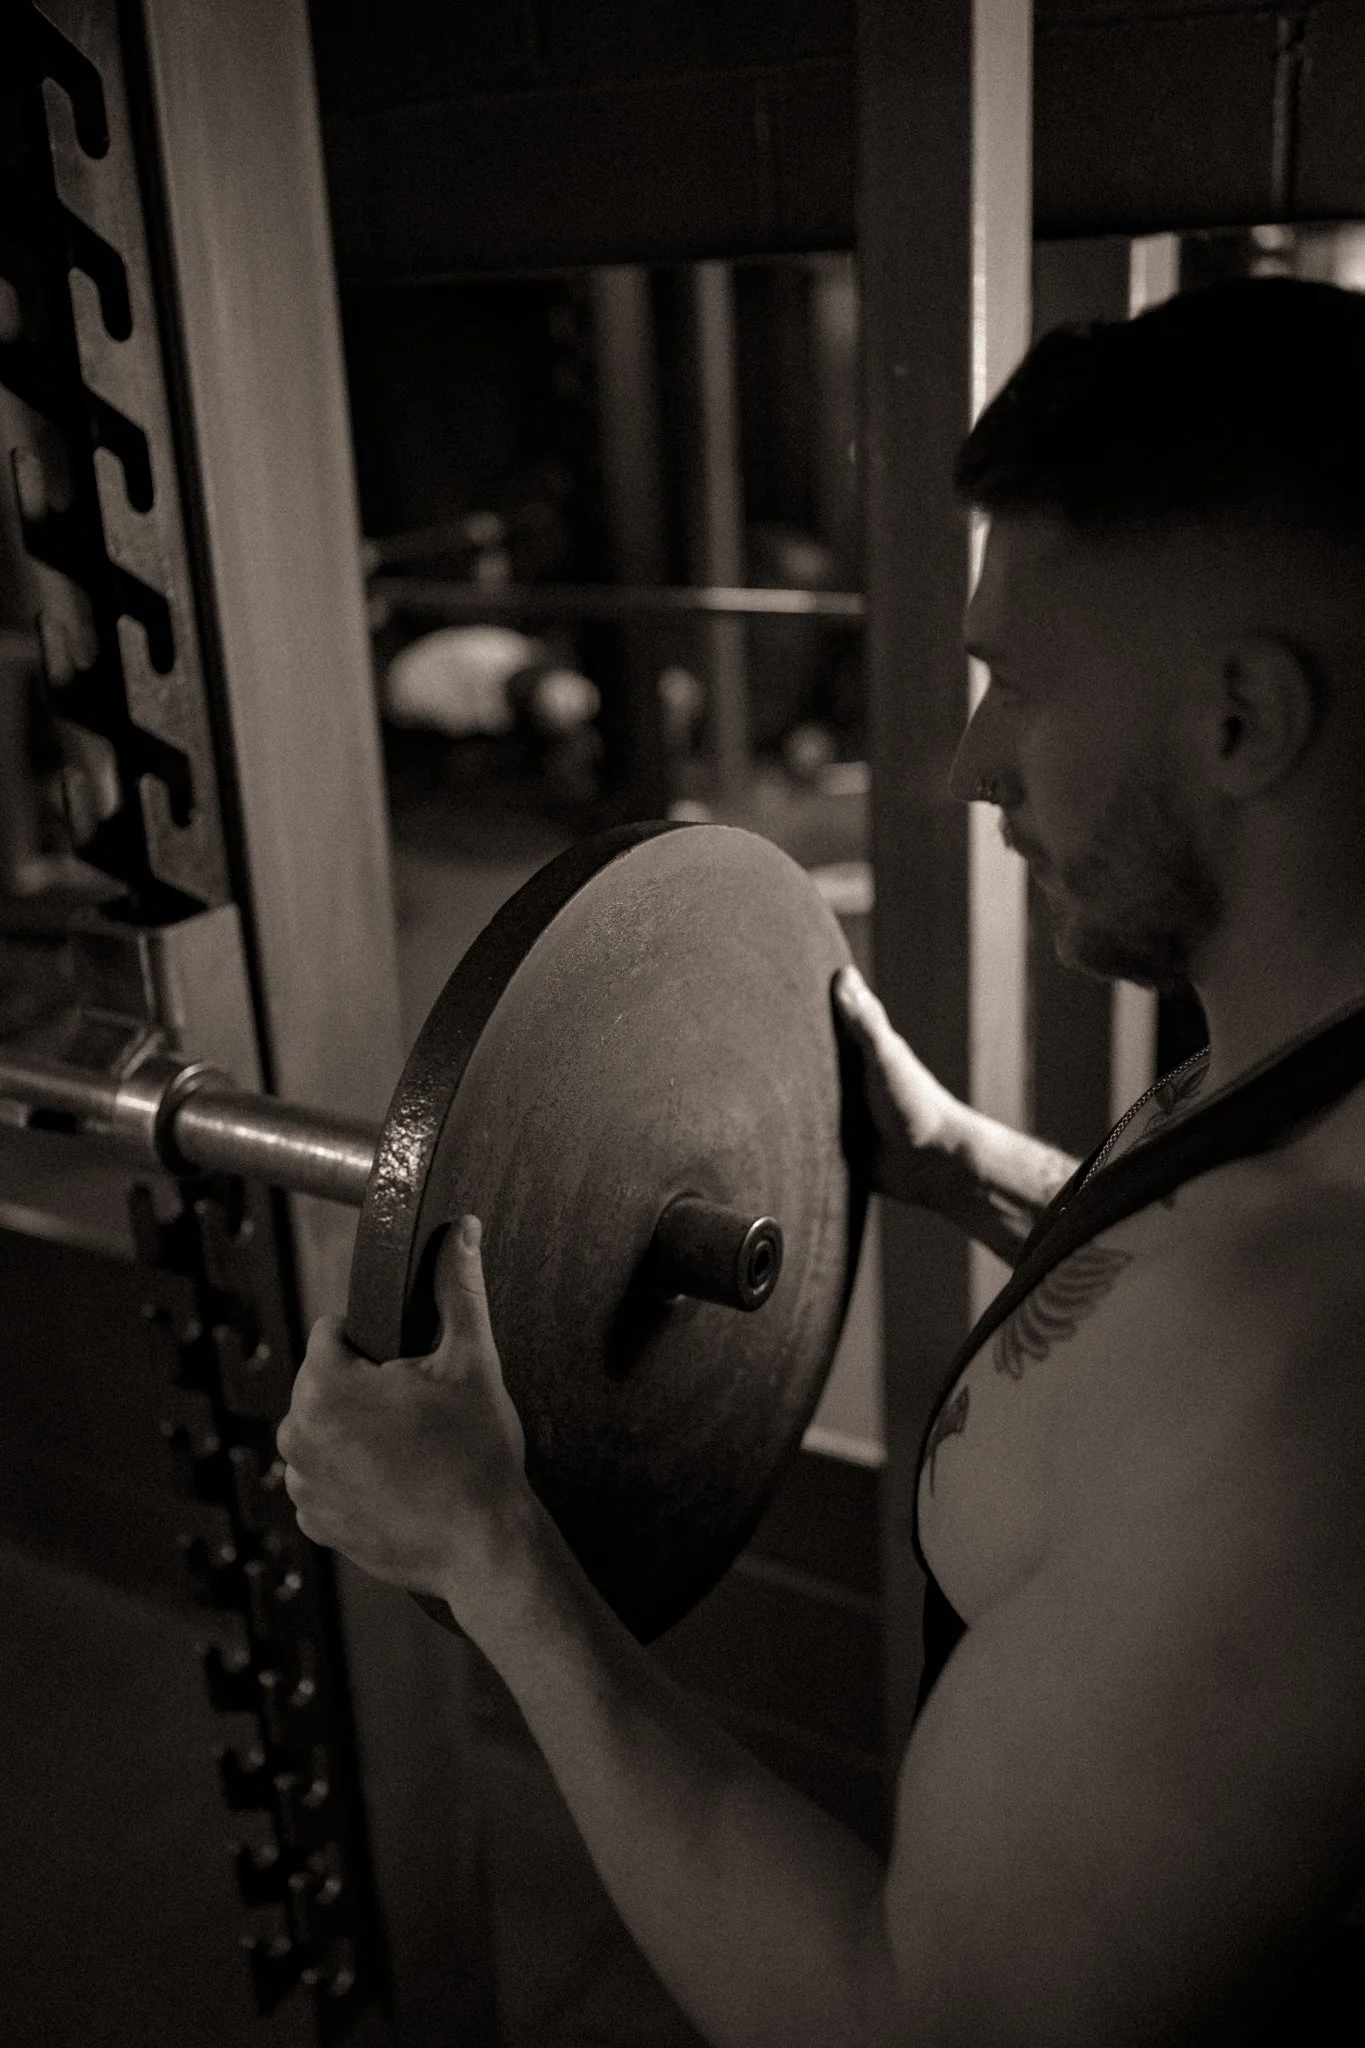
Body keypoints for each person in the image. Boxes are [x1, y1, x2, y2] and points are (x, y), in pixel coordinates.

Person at [277, 278, 1365, 2046]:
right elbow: (1183, 1270)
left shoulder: (1295, 1382)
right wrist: (962, 1164)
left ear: (1241, 719)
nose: (967, 762)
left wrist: (492, 1555)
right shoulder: (1296, 1077)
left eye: (1019, 680)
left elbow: (902, 2012)